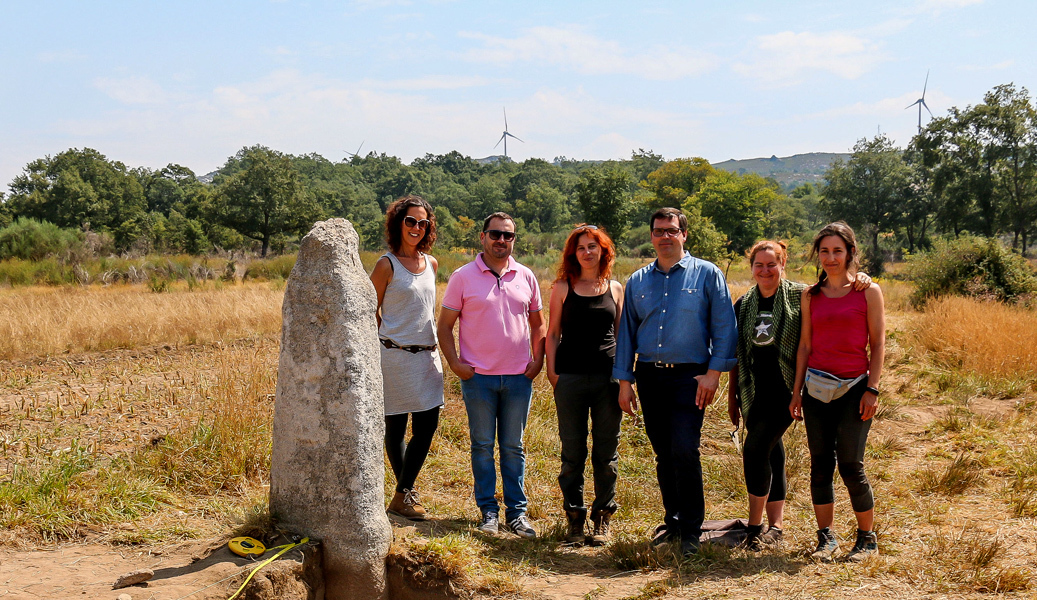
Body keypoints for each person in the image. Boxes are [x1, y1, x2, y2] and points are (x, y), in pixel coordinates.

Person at [727, 241, 870, 550]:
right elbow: (736, 353)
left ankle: (754, 527)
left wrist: (861, 277)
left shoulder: (802, 295)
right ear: (751, 268)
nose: (765, 270)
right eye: (759, 265)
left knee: (755, 449)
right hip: (754, 391)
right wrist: (732, 397)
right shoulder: (744, 303)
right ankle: (776, 526)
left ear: (783, 265)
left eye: (772, 264)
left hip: (789, 389)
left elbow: (835, 287)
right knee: (771, 450)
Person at [613, 207, 738, 555]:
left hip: (691, 377)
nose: (664, 237)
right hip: (650, 375)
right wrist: (624, 381)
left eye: (671, 230)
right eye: (658, 231)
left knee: (685, 449)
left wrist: (713, 374)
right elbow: (627, 335)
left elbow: (725, 327)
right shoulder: (638, 281)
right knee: (664, 454)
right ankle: (674, 523)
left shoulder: (708, 274)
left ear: (684, 234)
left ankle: (691, 533)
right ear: (651, 236)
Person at [437, 212, 546, 539]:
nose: (501, 240)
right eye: (495, 234)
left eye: (507, 235)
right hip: (479, 379)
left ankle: (517, 514)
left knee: (513, 447)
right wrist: (455, 364)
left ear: (514, 240)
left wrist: (537, 361)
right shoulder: (462, 277)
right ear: (482, 237)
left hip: (518, 378)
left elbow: (538, 324)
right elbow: (444, 327)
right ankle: (488, 512)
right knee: (482, 446)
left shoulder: (526, 276)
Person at [789, 222, 885, 562]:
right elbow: (805, 345)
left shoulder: (868, 292)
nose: (831, 258)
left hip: (855, 388)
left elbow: (878, 344)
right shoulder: (810, 295)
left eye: (837, 251)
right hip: (815, 388)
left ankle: (867, 539)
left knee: (850, 464)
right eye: (825, 251)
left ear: (850, 253)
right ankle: (826, 538)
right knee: (820, 465)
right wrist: (796, 392)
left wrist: (872, 389)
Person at [545, 224, 624, 546]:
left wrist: (625, 378)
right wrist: (553, 373)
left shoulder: (615, 288)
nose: (587, 252)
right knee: (572, 452)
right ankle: (575, 519)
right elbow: (552, 333)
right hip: (571, 378)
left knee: (606, 452)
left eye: (593, 246)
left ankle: (602, 517)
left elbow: (621, 335)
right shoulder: (563, 287)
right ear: (573, 253)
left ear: (603, 251)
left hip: (608, 380)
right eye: (581, 247)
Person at [369, 195, 444, 521]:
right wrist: (388, 338)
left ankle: (402, 493)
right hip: (394, 357)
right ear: (398, 223)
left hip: (427, 357)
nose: (416, 227)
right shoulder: (386, 265)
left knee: (427, 425)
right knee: (396, 428)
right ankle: (406, 494)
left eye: (422, 222)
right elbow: (369, 309)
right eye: (410, 221)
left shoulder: (432, 264)